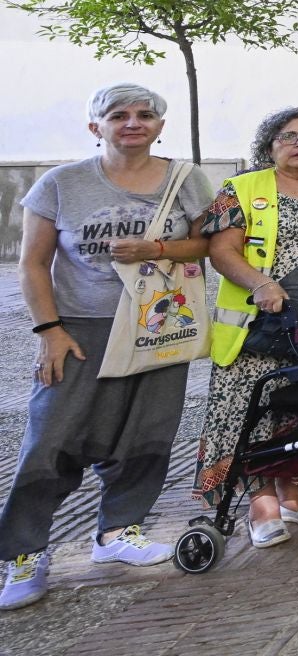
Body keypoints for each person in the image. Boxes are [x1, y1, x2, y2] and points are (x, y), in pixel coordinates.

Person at [0, 85, 215, 611]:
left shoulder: (186, 180)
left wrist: (156, 248)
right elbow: (33, 264)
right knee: (52, 436)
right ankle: (24, 552)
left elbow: (206, 243)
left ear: (160, 126)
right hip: (82, 326)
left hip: (161, 325)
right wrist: (49, 330)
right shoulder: (60, 184)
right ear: (95, 126)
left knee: (148, 432)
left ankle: (119, 530)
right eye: (118, 116)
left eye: (145, 115)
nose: (133, 123)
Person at [196, 107, 298, 548]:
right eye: (287, 136)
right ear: (269, 146)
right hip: (258, 328)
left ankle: (293, 494)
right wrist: (262, 283)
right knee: (248, 417)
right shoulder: (241, 188)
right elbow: (221, 251)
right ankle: (261, 504)